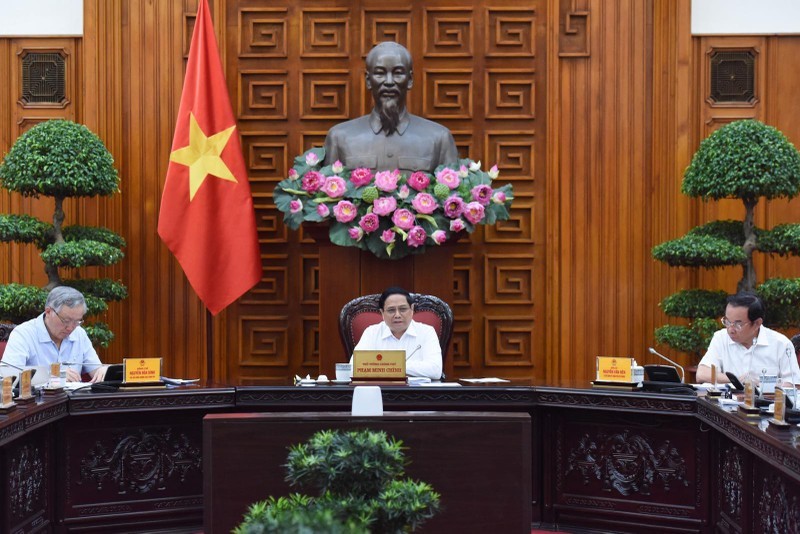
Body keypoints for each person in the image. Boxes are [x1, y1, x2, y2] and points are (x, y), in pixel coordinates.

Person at [323, 41, 459, 173]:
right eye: (380, 73)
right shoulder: (339, 137)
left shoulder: (439, 138)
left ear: (410, 80)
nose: (389, 82)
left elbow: (453, 194)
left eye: (398, 73)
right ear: (368, 80)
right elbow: (326, 192)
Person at [1, 286, 108, 383]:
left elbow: (96, 370)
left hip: (74, 402)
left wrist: (102, 371)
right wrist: (54, 376)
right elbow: (7, 375)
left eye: (77, 321)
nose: (70, 328)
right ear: (48, 312)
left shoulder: (79, 333)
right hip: (39, 402)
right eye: (66, 321)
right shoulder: (24, 333)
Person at [696, 291, 800, 386]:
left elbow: (794, 384)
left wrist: (760, 385)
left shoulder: (781, 344)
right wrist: (736, 380)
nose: (730, 329)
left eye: (737, 324)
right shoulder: (721, 337)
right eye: (727, 322)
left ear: (757, 323)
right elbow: (701, 373)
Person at [351, 286, 443, 380]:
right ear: (382, 313)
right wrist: (403, 368)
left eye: (403, 309)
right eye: (391, 310)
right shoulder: (371, 333)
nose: (397, 315)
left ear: (412, 309)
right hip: (381, 392)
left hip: (417, 393)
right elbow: (354, 367)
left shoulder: (427, 332)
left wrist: (390, 366)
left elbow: (435, 370)